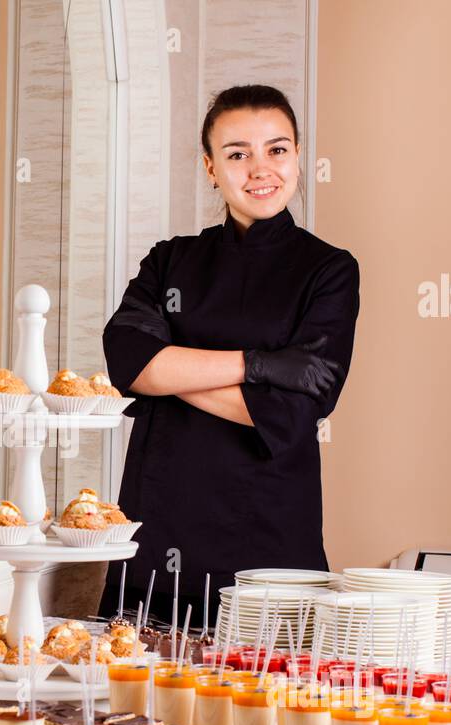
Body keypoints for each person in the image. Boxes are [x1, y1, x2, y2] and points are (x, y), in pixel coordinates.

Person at [98, 85, 360, 629]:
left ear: (297, 157)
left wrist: (167, 372)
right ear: (211, 168)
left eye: (277, 149)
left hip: (268, 529)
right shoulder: (170, 260)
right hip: (161, 522)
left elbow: (292, 416)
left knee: (269, 702)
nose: (260, 169)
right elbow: (128, 362)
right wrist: (260, 365)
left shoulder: (329, 270)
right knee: (134, 705)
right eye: (238, 153)